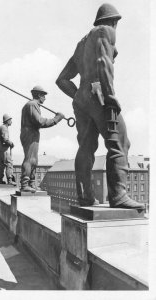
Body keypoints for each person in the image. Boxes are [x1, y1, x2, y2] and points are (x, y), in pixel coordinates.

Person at [56, 3, 145, 209]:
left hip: (82, 100)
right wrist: (110, 95)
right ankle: (119, 196)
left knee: (86, 147)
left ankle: (85, 198)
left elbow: (62, 79)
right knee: (120, 142)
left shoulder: (82, 43)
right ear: (114, 21)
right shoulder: (107, 31)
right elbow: (104, 62)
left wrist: (78, 94)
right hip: (99, 95)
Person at [20, 86, 64, 192]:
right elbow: (39, 122)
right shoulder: (32, 104)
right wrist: (56, 119)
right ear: (39, 95)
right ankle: (25, 184)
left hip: (32, 133)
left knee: (34, 160)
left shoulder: (33, 105)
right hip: (29, 133)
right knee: (30, 159)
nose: (45, 98)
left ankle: (31, 183)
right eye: (44, 95)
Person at [0, 114, 16, 185]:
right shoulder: (4, 128)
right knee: (9, 163)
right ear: (7, 121)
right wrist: (11, 143)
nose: (11, 122)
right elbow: (5, 139)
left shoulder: (0, 128)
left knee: (2, 165)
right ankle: (9, 180)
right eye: (10, 120)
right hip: (4, 150)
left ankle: (0, 180)